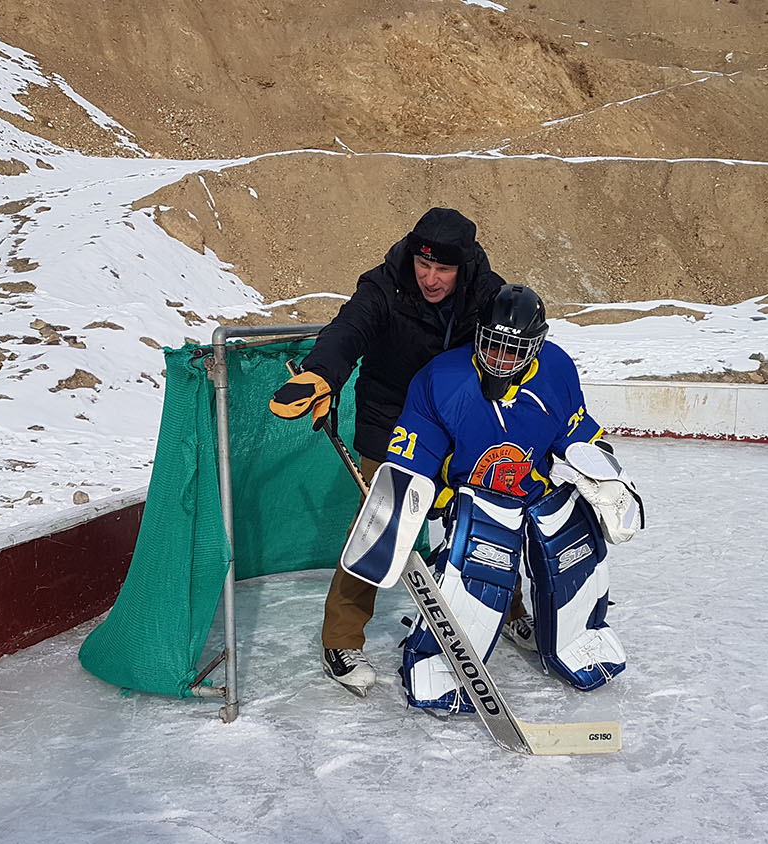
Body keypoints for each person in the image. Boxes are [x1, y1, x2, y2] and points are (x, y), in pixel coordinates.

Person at [337, 284, 644, 713]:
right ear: (478, 335)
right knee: (482, 561)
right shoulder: (441, 379)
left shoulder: (556, 368)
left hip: (535, 490)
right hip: (473, 497)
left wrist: (606, 474)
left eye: (514, 348)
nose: (500, 358)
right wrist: (410, 507)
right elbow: (412, 459)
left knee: (571, 543)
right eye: (493, 345)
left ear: (538, 344)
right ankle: (439, 660)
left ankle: (577, 637)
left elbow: (574, 433)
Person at [269, 207, 505, 696]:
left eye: (443, 270)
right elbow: (347, 330)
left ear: (463, 267)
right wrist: (320, 373)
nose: (431, 279)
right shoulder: (384, 285)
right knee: (381, 526)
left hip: (459, 424)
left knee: (489, 515)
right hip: (391, 423)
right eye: (424, 266)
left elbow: (513, 342)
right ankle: (340, 640)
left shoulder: (487, 293)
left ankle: (514, 609)